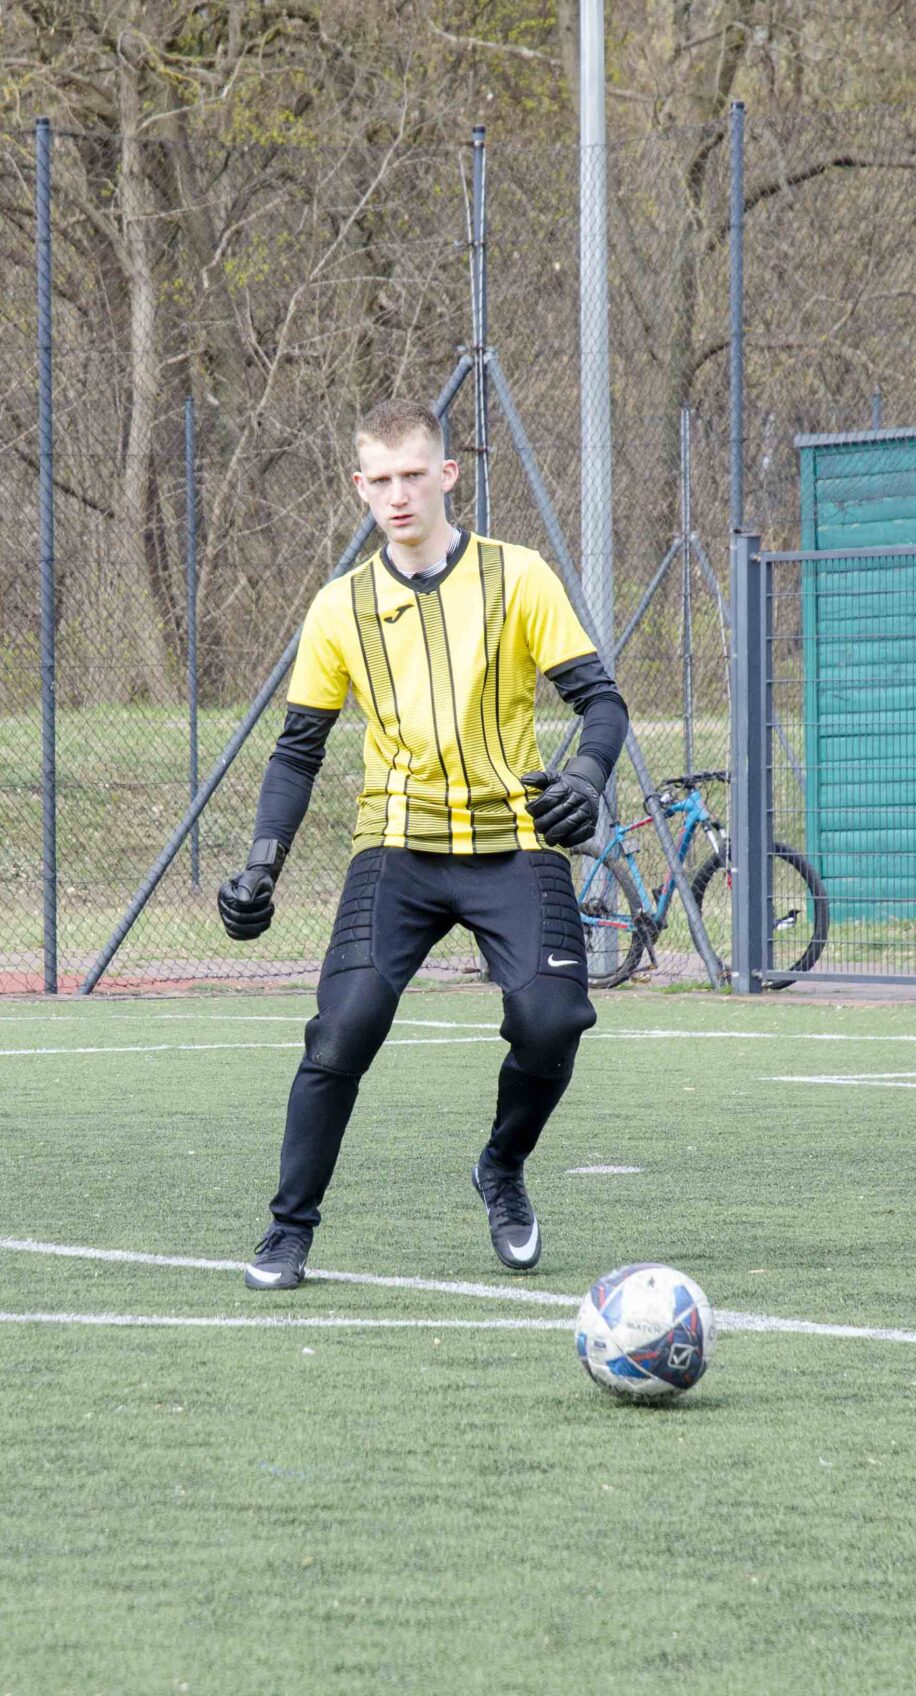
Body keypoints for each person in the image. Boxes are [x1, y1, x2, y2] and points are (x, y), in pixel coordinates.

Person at [219, 397, 630, 1291]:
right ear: (359, 486)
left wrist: (585, 779)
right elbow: (297, 751)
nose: (399, 494)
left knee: (553, 1021)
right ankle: (287, 1232)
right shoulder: (339, 608)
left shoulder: (519, 576)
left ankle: (502, 1167)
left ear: (447, 474)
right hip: (396, 849)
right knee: (343, 1030)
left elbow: (602, 702)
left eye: (414, 474)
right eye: (381, 479)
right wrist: (261, 864)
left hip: (514, 840)